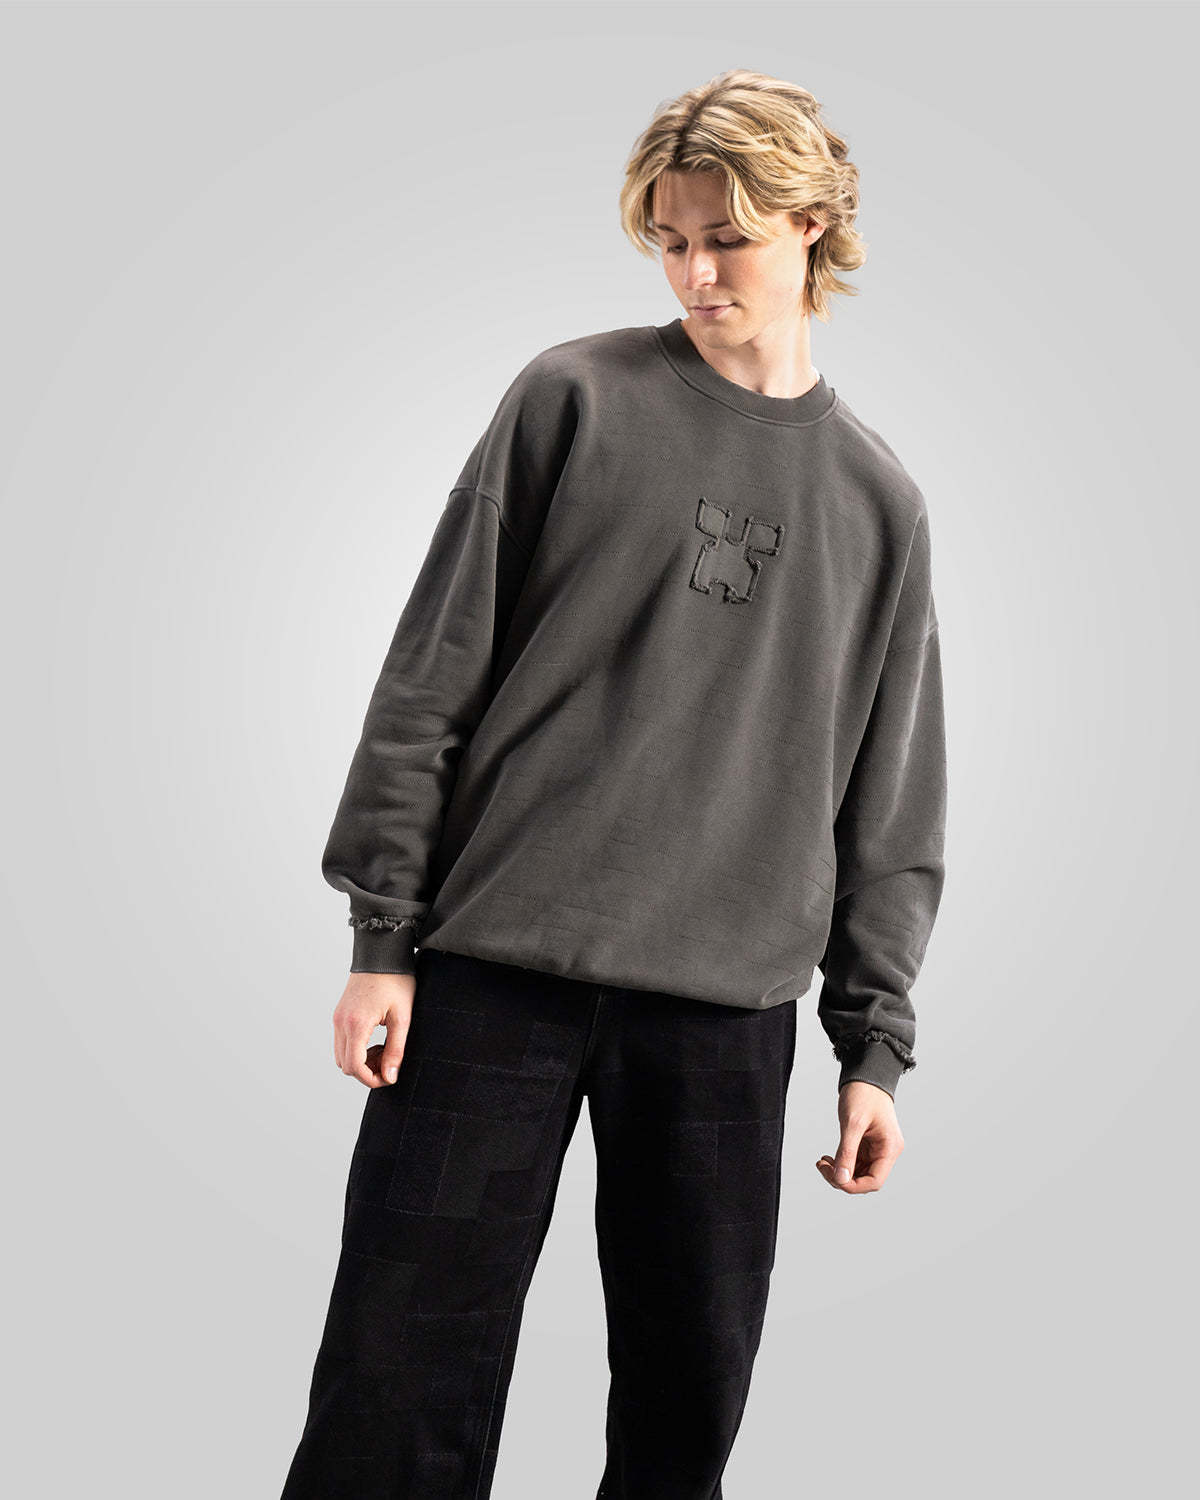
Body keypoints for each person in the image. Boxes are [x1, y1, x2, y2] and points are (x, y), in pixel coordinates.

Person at [280, 67, 948, 1500]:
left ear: (812, 225)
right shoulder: (570, 398)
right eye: (672, 239)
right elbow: (432, 674)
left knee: (684, 1402)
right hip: (493, 975)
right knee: (396, 1380)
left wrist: (874, 1045)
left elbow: (892, 805)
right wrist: (383, 938)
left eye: (730, 238)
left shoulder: (879, 504)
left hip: (724, 1011)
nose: (698, 273)